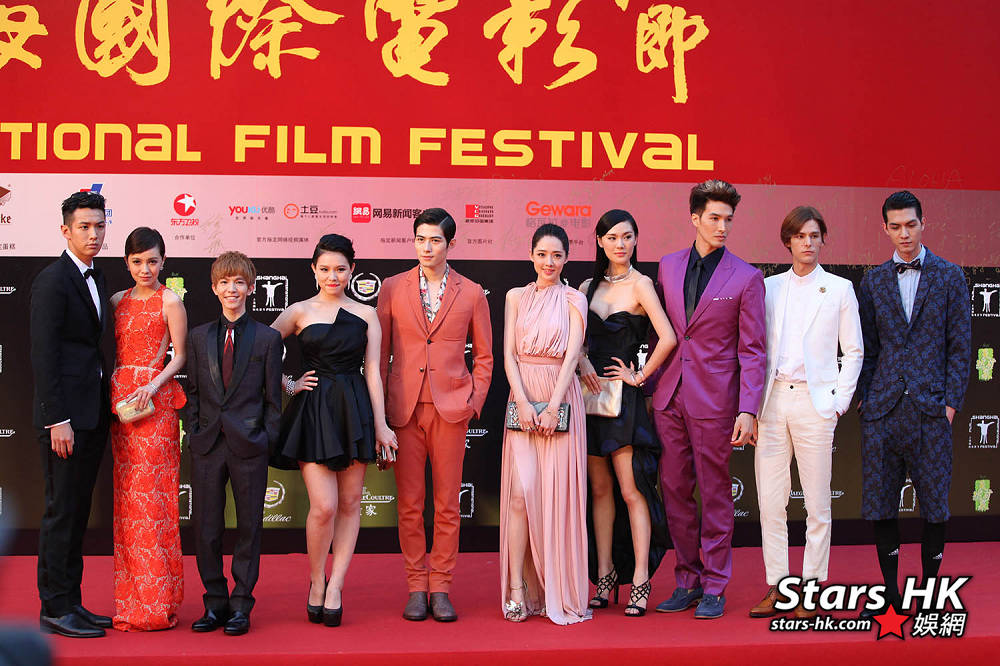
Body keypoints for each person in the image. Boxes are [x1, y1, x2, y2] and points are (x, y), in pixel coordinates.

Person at [648, 179, 766, 619]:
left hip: (716, 402)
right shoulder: (667, 266)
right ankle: (687, 580)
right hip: (670, 396)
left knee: (715, 493)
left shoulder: (747, 277)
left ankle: (715, 584)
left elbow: (753, 350)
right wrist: (651, 383)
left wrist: (748, 408)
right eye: (714, 218)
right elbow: (662, 332)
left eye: (728, 219)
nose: (722, 227)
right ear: (694, 218)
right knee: (675, 491)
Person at [270, 234, 397, 627]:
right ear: (313, 269)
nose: (333, 276)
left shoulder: (366, 314)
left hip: (353, 409)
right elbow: (261, 350)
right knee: (323, 507)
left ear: (352, 270)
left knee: (350, 503)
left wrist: (381, 425)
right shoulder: (298, 311)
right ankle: (315, 580)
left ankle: (336, 584)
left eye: (340, 269)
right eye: (325, 269)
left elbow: (373, 372)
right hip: (313, 412)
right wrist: (289, 385)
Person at [855, 191, 971, 617]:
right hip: (882, 411)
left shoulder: (950, 276)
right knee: (882, 505)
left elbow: (961, 348)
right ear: (885, 229)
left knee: (935, 506)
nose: (904, 234)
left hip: (931, 410)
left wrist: (950, 405)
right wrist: (867, 399)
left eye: (911, 225)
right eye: (896, 226)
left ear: (923, 224)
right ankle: (890, 592)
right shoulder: (872, 282)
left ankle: (931, 592)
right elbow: (866, 349)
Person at [377, 208, 493, 622]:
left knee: (447, 504)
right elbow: (380, 353)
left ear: (450, 244)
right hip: (404, 409)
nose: (427, 248)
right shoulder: (392, 287)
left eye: (435, 241)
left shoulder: (472, 292)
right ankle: (416, 585)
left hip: (451, 410)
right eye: (420, 240)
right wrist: (380, 411)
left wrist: (473, 401)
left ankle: (441, 586)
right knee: (410, 504)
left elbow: (484, 357)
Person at [749, 207, 862, 619]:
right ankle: (779, 588)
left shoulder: (840, 289)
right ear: (788, 242)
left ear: (823, 239)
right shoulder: (768, 287)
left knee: (817, 505)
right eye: (800, 236)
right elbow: (753, 348)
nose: (808, 242)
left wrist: (837, 403)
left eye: (814, 235)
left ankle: (812, 590)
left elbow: (854, 351)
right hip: (772, 402)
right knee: (770, 503)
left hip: (816, 405)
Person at [577, 210, 676, 617]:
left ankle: (639, 578)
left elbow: (668, 337)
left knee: (631, 489)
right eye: (613, 237)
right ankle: (604, 575)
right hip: (588, 398)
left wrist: (640, 376)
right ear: (600, 241)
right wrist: (582, 360)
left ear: (636, 240)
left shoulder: (641, 284)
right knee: (600, 491)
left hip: (624, 403)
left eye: (628, 236)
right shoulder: (586, 287)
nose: (621, 244)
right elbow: (577, 341)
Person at [184, 251, 283, 636]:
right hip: (208, 445)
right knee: (206, 529)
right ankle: (215, 602)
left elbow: (273, 399)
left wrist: (265, 438)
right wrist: (195, 433)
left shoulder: (268, 339)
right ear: (214, 288)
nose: (232, 289)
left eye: (239, 282)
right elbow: (193, 392)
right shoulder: (198, 337)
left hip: (250, 446)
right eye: (224, 282)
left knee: (249, 529)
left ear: (251, 288)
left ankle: (241, 604)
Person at [30, 191, 114, 638]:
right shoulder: (53, 281)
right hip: (63, 421)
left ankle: (72, 603)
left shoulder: (95, 276)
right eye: (84, 226)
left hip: (91, 414)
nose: (93, 234)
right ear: (65, 230)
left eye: (99, 225)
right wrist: (56, 419)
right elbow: (43, 356)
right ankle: (54, 608)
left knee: (78, 512)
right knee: (61, 512)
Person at [500, 223, 591, 625]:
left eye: (556, 255)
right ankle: (517, 589)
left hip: (560, 398)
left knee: (556, 498)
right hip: (521, 397)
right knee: (520, 496)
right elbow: (508, 355)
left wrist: (553, 407)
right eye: (542, 254)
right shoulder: (514, 297)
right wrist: (522, 402)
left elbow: (572, 357)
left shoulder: (575, 299)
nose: (548, 262)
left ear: (566, 258)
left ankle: (556, 587)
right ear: (531, 255)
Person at [109, 227, 187, 631]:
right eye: (138, 261)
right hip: (122, 409)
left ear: (163, 261)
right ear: (127, 262)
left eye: (153, 261)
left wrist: (152, 386)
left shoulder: (170, 300)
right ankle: (133, 600)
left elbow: (180, 357)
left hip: (155, 409)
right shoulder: (116, 301)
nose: (145, 269)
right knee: (128, 504)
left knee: (152, 502)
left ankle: (159, 602)